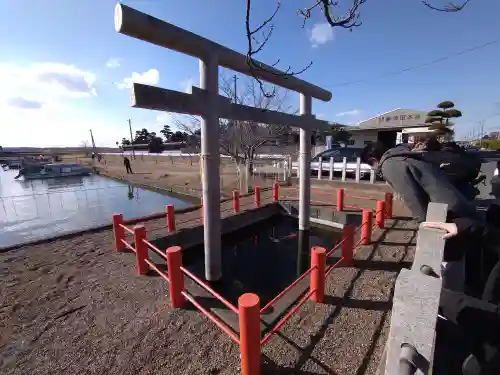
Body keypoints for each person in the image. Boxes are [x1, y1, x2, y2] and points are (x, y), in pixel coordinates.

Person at [361, 140, 478, 223]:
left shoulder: (390, 165)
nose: (372, 168)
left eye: (370, 165)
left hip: (447, 211)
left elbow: (411, 196)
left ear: (373, 160)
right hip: (452, 202)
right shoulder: (402, 156)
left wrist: (423, 221)